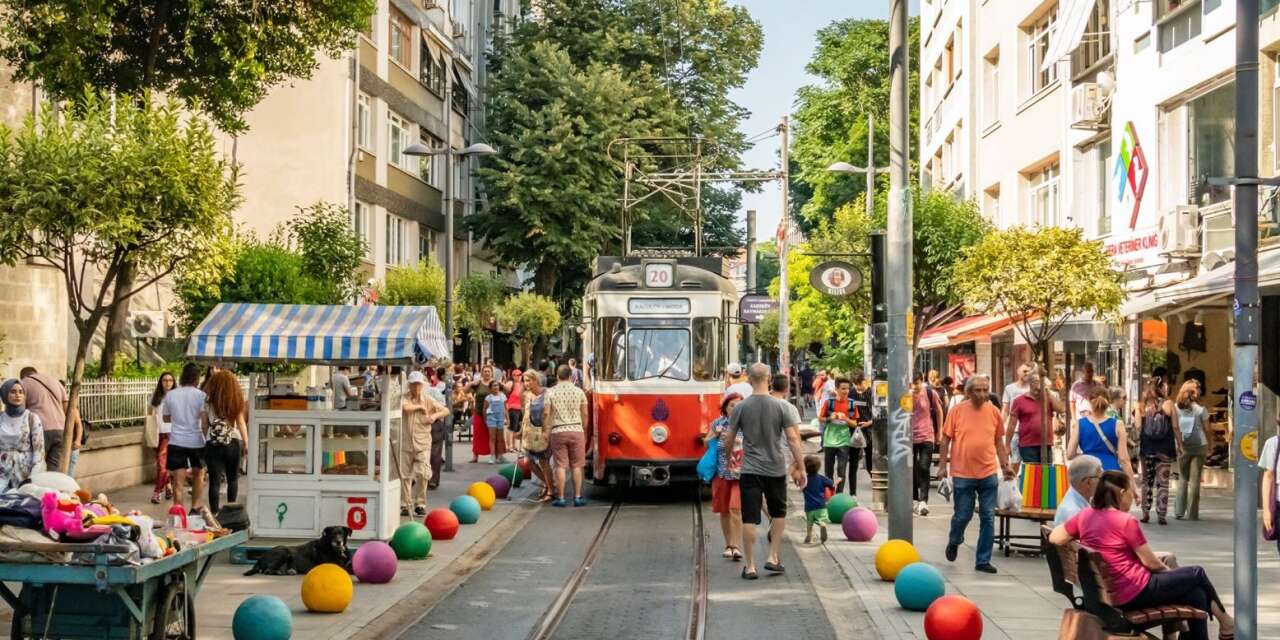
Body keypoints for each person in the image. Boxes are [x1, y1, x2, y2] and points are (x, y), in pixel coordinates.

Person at [1050, 471, 1235, 640]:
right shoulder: (1126, 521)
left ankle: (1225, 625)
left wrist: (1082, 543)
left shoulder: (1085, 516)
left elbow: (1054, 537)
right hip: (1134, 591)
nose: (1134, 498)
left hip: (1109, 591)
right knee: (1196, 573)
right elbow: (1151, 563)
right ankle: (1225, 621)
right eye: (1132, 493)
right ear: (1121, 493)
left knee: (1197, 595)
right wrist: (1168, 572)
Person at [724, 363, 806, 581]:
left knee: (749, 516)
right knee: (779, 513)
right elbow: (793, 439)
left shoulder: (741, 407)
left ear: (748, 379)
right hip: (776, 469)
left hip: (750, 470)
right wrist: (801, 466)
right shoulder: (783, 407)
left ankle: (750, 566)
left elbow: (729, 438)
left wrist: (728, 459)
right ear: (769, 378)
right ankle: (772, 556)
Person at [937, 374, 1012, 574]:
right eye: (977, 390)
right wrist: (942, 465)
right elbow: (945, 440)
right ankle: (954, 540)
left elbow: (998, 442)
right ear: (969, 392)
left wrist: (1005, 465)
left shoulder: (994, 412)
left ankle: (982, 560)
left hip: (988, 472)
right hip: (963, 473)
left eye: (985, 390)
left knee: (988, 516)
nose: (982, 394)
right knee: (963, 515)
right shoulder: (957, 411)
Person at [401, 371, 450, 516]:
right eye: (413, 384)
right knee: (405, 475)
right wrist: (419, 408)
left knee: (423, 473)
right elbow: (405, 408)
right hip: (406, 441)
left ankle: (420, 502)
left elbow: (445, 410)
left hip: (423, 442)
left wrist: (434, 416)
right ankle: (405, 504)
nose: (416, 387)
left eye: (418, 384)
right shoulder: (404, 398)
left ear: (422, 385)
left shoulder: (428, 399)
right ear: (409, 385)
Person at [162, 364, 207, 512]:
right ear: (197, 378)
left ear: (182, 376)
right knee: (198, 475)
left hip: (177, 441)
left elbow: (166, 418)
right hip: (197, 440)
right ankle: (194, 507)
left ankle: (178, 509)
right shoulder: (201, 395)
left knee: (178, 481)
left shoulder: (171, 394)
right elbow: (203, 417)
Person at [202, 370, 248, 514]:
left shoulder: (207, 402)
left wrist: (207, 438)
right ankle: (231, 512)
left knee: (214, 482)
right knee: (232, 479)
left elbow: (204, 424)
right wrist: (246, 442)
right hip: (233, 441)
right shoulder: (236, 400)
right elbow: (241, 423)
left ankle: (215, 514)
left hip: (213, 443)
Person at [705, 393, 744, 560]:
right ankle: (728, 544)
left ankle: (736, 546)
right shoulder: (717, 423)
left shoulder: (747, 424)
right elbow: (706, 442)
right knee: (723, 510)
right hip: (721, 472)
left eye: (738, 405)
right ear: (725, 408)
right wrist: (714, 436)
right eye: (732, 405)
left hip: (740, 473)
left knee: (735, 508)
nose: (735, 408)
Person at [19, 367, 78, 473]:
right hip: (61, 430)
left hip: (39, 430)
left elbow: (21, 412)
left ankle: (36, 488)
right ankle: (51, 488)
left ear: (23, 376)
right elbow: (68, 410)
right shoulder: (55, 382)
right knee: (54, 468)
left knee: (35, 465)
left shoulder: (24, 383)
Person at [1068, 387, 1135, 478]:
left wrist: (1086, 455)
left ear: (1089, 401)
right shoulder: (1118, 424)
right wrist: (1132, 484)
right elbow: (1123, 459)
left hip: (1088, 473)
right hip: (1111, 473)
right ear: (1108, 402)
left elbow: (1070, 454)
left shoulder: (1080, 424)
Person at [1138, 385, 1181, 525]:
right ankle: (1161, 515)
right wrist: (1180, 444)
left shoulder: (1141, 406)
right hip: (1165, 449)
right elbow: (1175, 426)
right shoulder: (1168, 404)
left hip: (1147, 449)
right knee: (1163, 483)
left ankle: (1145, 513)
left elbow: (1138, 427)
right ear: (1160, 390)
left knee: (1146, 481)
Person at [546, 365, 589, 507]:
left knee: (560, 465)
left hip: (558, 431)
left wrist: (546, 431)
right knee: (577, 465)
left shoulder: (550, 392)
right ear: (571, 376)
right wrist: (584, 429)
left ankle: (562, 498)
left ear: (557, 376)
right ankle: (577, 497)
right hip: (577, 430)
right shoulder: (579, 392)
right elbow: (585, 414)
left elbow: (546, 413)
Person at [1006, 368, 1064, 464]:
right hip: (1028, 444)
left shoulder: (1048, 398)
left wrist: (1047, 392)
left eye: (1041, 381)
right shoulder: (1019, 401)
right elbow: (1012, 424)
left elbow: (1061, 409)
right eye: (1036, 381)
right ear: (1030, 383)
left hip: (1046, 444)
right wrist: (1007, 445)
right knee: (1033, 474)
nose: (1039, 384)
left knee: (1046, 473)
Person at [1173, 380, 1209, 521]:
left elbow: (1174, 426)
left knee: (1183, 478)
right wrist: (1210, 444)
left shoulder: (1175, 408)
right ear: (1193, 392)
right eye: (1198, 388)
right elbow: (1207, 429)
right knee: (1194, 481)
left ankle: (1179, 511)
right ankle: (1193, 514)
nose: (1200, 391)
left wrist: (1179, 444)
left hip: (1183, 446)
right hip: (1199, 445)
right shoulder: (1201, 410)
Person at [0, 379, 44, 492]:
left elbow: (39, 452)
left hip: (24, 474)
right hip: (2, 474)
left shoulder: (32, 418)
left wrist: (32, 479)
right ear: (5, 394)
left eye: (21, 392)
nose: (17, 395)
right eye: (13, 391)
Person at [911, 372, 944, 515]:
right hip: (908, 437)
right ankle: (914, 498)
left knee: (924, 467)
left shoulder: (930, 393)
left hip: (927, 435)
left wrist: (940, 432)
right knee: (911, 468)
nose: (915, 386)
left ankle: (923, 500)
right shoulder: (905, 394)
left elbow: (939, 411)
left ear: (922, 381)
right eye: (912, 383)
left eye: (917, 383)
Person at [521, 370, 554, 502]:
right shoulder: (526, 395)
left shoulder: (547, 393)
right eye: (525, 381)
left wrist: (548, 432)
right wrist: (520, 430)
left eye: (529, 380)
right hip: (530, 432)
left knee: (544, 462)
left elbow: (550, 414)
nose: (526, 383)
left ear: (536, 380)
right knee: (527, 461)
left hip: (544, 431)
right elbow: (525, 414)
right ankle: (547, 483)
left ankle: (551, 490)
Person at [817, 378, 854, 494]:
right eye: (843, 388)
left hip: (844, 441)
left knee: (841, 470)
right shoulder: (829, 403)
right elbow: (820, 418)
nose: (846, 391)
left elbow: (855, 423)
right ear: (837, 389)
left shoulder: (851, 403)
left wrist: (846, 418)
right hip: (829, 441)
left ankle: (839, 495)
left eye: (848, 389)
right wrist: (830, 418)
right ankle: (829, 494)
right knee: (828, 471)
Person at [148, 372, 175, 504]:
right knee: (161, 465)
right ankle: (169, 487)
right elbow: (150, 414)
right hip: (157, 433)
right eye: (165, 380)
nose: (168, 383)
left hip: (170, 433)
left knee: (161, 463)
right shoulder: (156, 395)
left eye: (170, 380)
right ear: (161, 382)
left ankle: (157, 492)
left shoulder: (176, 396)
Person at [1053, 454, 1103, 526]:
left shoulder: (1075, 493)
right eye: (1101, 478)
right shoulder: (1073, 512)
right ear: (1088, 482)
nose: (1103, 482)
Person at [469, 365, 498, 463]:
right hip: (478, 412)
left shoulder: (495, 383)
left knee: (492, 435)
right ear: (482, 373)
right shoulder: (478, 383)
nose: (486, 373)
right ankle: (475, 456)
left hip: (492, 413)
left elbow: (506, 391)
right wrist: (472, 383)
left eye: (488, 371)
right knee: (477, 435)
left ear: (491, 373)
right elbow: (466, 390)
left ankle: (494, 455)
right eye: (485, 371)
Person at [802, 455, 833, 544]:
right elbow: (831, 483)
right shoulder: (821, 478)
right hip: (821, 505)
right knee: (821, 519)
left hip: (809, 506)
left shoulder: (805, 479)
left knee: (809, 523)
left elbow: (799, 483)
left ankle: (809, 537)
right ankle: (822, 525)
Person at [428, 367, 450, 489]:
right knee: (433, 454)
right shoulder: (435, 389)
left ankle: (431, 479)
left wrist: (434, 415)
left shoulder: (435, 390)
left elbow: (444, 409)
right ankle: (431, 480)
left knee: (434, 454)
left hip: (434, 423)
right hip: (433, 423)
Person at [482, 380, 508, 464]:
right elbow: (484, 409)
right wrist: (485, 419)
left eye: (497, 385)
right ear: (490, 388)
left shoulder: (503, 396)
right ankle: (492, 456)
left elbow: (505, 408)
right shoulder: (488, 397)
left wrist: (508, 419)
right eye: (494, 386)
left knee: (500, 439)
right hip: (491, 418)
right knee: (492, 438)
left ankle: (500, 456)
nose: (496, 387)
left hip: (500, 418)